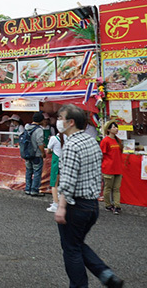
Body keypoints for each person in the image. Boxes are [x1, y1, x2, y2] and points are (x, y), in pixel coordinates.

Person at [54, 104, 123, 288]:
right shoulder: (91, 141)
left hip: (75, 206)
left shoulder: (71, 145)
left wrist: (61, 207)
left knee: (71, 249)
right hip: (92, 205)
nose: (58, 122)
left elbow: (67, 181)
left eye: (60, 118)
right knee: (75, 244)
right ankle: (105, 274)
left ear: (70, 122)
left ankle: (81, 285)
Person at [100, 120, 123, 215]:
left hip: (118, 168)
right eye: (114, 127)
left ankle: (117, 205)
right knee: (108, 188)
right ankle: (108, 204)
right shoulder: (105, 141)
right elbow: (101, 155)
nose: (116, 129)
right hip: (108, 168)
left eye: (116, 127)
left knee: (116, 188)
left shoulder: (118, 140)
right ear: (108, 129)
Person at [23, 112, 46, 196]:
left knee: (28, 171)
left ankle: (27, 189)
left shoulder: (26, 127)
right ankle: (34, 190)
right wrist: (43, 153)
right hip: (36, 154)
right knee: (37, 172)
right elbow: (40, 143)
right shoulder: (39, 130)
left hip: (27, 154)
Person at [46, 127, 64, 213]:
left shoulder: (54, 138)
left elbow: (48, 150)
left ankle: (55, 204)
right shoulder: (68, 138)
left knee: (54, 184)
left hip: (56, 162)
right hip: (64, 162)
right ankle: (61, 202)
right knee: (62, 184)